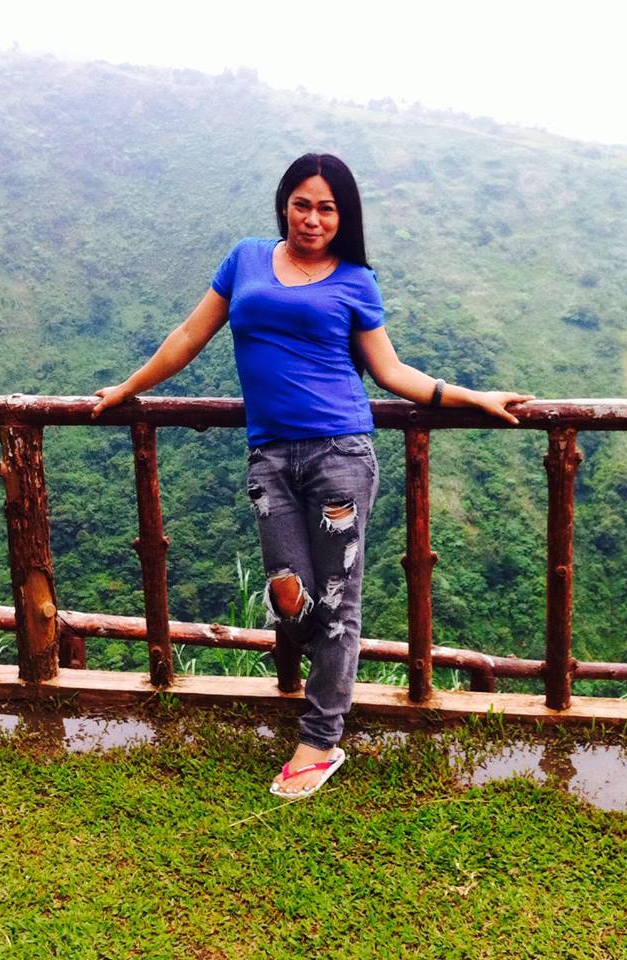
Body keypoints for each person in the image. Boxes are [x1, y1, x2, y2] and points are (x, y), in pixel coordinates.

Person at [91, 153, 534, 798]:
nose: (313, 218)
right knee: (288, 591)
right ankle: (320, 675)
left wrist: (469, 396)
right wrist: (128, 389)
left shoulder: (356, 280)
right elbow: (189, 335)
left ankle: (321, 739)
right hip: (270, 457)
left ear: (343, 216)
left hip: (340, 455)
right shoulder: (245, 259)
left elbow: (391, 372)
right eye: (302, 204)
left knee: (337, 602)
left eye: (327, 208)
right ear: (284, 205)